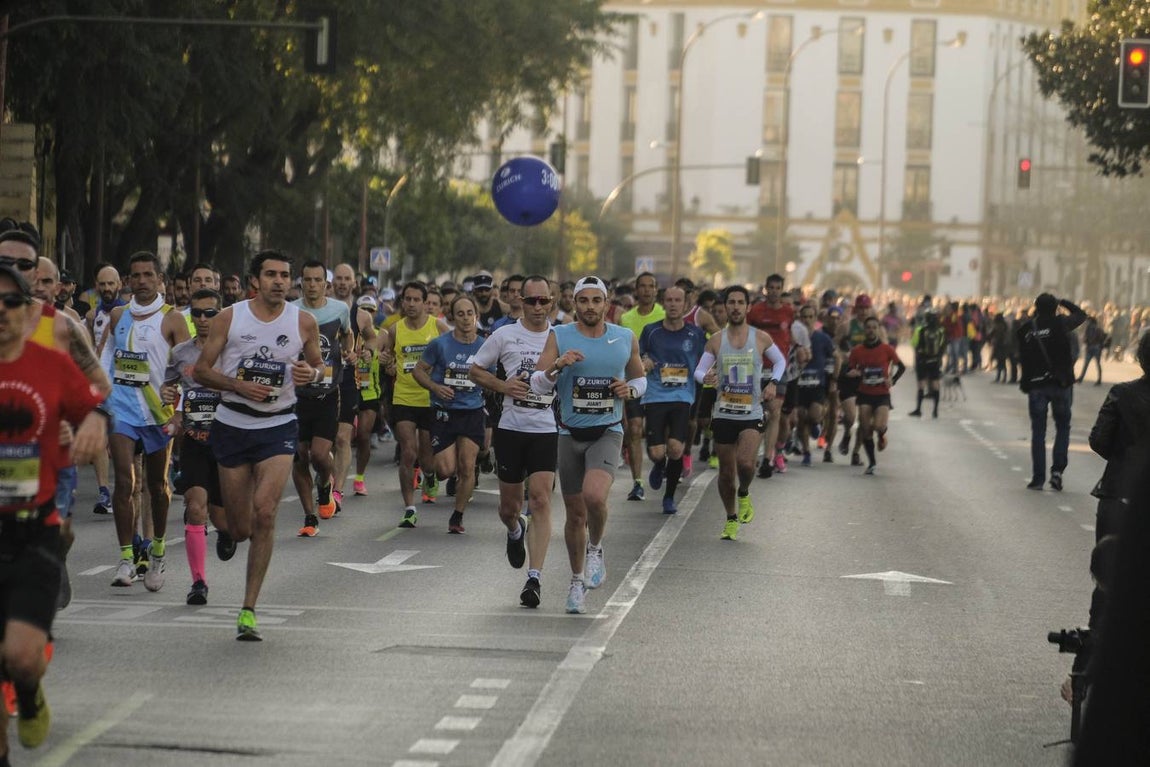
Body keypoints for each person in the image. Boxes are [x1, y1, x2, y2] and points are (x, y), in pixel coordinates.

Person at [0, 263, 107, 757]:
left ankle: (28, 688)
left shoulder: (50, 364)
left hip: (34, 531)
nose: (0, 312)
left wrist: (92, 427)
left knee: (21, 657)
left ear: (28, 313)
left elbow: (95, 404)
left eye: (10, 302)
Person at [194, 250, 324, 640]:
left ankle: (248, 608)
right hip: (232, 423)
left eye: (286, 275)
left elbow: (319, 367)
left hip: (278, 425)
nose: (280, 281)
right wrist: (237, 385)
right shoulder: (229, 318)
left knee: (265, 513)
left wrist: (309, 372)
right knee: (241, 527)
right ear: (256, 280)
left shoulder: (303, 322)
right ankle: (229, 530)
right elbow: (200, 370)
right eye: (271, 274)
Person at [531, 275, 646, 615]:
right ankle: (577, 580)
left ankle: (596, 548)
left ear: (606, 304)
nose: (591, 307)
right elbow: (537, 383)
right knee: (575, 514)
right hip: (568, 434)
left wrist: (631, 390)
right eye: (584, 301)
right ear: (574, 303)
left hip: (607, 430)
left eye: (597, 301)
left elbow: (640, 379)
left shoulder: (624, 337)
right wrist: (557, 366)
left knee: (595, 496)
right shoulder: (560, 335)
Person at [98, 252, 191, 590]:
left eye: (147, 275)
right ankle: (126, 558)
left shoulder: (173, 319)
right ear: (128, 280)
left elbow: (187, 368)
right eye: (135, 275)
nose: (141, 281)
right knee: (124, 483)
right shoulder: (119, 315)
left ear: (159, 279)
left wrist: (177, 403)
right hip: (122, 410)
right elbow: (106, 355)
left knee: (157, 487)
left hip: (157, 413)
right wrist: (103, 397)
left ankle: (159, 552)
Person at [470, 275, 561, 607]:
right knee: (510, 508)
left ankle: (534, 579)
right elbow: (475, 371)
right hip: (510, 428)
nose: (537, 307)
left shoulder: (560, 336)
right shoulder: (504, 335)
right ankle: (514, 531)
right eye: (531, 300)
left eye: (543, 301)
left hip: (545, 429)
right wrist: (503, 386)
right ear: (519, 301)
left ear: (552, 302)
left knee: (540, 501)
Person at [693, 285, 786, 541]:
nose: (734, 307)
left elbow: (780, 361)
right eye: (730, 302)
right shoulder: (715, 340)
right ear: (725, 308)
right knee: (725, 472)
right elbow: (698, 372)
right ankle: (731, 518)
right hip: (723, 413)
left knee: (745, 464)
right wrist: (706, 377)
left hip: (751, 412)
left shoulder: (760, 338)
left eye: (739, 303)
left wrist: (773, 382)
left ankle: (744, 492)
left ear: (747, 307)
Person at [162, 289, 231, 605]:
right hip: (193, 441)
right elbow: (170, 387)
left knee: (223, 518)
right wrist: (168, 399)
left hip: (227, 442)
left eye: (209, 313)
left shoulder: (232, 351)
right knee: (195, 506)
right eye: (197, 313)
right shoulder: (180, 353)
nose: (203, 319)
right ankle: (198, 582)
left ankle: (227, 533)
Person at [413, 294, 491, 533]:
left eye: (470, 314)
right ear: (452, 317)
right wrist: (436, 387)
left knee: (467, 467)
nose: (466, 319)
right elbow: (418, 371)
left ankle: (457, 516)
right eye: (460, 314)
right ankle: (450, 472)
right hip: (444, 412)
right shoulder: (440, 344)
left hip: (472, 412)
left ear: (476, 316)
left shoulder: (485, 346)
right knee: (445, 470)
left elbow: (493, 376)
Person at [291, 261, 353, 537]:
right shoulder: (291, 310)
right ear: (301, 282)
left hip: (328, 392)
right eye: (308, 280)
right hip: (295, 395)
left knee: (319, 455)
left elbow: (348, 336)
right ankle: (309, 517)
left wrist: (349, 353)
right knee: (299, 457)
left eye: (318, 280)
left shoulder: (340, 309)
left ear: (326, 284)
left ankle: (325, 484)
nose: (313, 285)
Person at [382, 281, 447, 527]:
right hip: (403, 398)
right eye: (407, 299)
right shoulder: (395, 330)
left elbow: (450, 353)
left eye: (416, 300)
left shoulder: (437, 326)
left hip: (430, 398)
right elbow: (388, 361)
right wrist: (387, 363)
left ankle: (429, 475)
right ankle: (409, 507)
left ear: (424, 302)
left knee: (428, 459)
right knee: (408, 452)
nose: (410, 304)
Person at [638, 285, 706, 514]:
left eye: (678, 300)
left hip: (683, 396)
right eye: (669, 300)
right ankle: (658, 464)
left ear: (686, 304)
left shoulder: (695, 334)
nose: (674, 304)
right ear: (663, 303)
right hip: (656, 394)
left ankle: (669, 497)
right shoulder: (651, 331)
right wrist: (644, 360)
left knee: (676, 449)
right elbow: (639, 354)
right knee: (658, 452)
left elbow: (706, 360)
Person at [1016, 293, 1087, 491]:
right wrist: (1063, 301)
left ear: (1036, 308)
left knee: (1038, 431)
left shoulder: (1026, 330)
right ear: (1055, 307)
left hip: (1037, 386)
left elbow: (1022, 358)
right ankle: (1057, 472)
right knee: (1063, 426)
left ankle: (1038, 477)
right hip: (1061, 384)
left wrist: (1025, 382)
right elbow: (1081, 315)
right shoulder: (1061, 324)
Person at [618, 272, 665, 501]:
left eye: (651, 286)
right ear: (636, 290)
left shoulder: (664, 315)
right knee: (634, 429)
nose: (646, 290)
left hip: (660, 385)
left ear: (656, 290)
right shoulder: (626, 319)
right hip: (634, 380)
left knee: (658, 441)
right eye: (642, 286)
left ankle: (659, 460)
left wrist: (654, 361)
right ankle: (637, 483)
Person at [845, 316, 906, 475]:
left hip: (881, 394)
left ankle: (881, 434)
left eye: (874, 327)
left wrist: (892, 380)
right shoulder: (857, 351)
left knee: (878, 425)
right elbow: (849, 370)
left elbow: (902, 367)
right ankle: (871, 462)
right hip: (865, 393)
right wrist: (853, 373)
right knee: (865, 428)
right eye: (868, 327)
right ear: (864, 330)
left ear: (878, 329)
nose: (871, 330)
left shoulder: (886, 349)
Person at [747, 274, 794, 478]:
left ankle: (767, 458)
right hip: (756, 366)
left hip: (778, 367)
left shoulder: (788, 312)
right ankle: (753, 454)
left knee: (774, 412)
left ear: (782, 289)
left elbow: (794, 336)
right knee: (759, 413)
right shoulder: (756, 312)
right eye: (771, 287)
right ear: (766, 289)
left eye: (778, 288)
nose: (774, 291)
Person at [794, 303, 836, 466]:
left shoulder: (822, 338)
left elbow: (834, 356)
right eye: (804, 317)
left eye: (810, 316)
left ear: (815, 318)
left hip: (818, 384)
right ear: (800, 319)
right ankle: (806, 452)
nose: (807, 320)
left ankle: (816, 423)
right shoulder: (794, 338)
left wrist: (832, 378)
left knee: (813, 415)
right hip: (799, 384)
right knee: (801, 418)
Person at [908, 308, 946, 418]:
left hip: (922, 360)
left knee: (921, 385)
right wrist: (938, 357)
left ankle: (919, 409)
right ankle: (935, 410)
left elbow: (914, 343)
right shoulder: (941, 331)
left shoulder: (920, 330)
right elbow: (943, 346)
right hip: (935, 361)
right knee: (935, 384)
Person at [1078, 315, 1106, 386]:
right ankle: (1099, 379)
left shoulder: (1089, 327)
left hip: (1090, 348)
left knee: (1086, 364)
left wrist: (1085, 342)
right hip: (1097, 347)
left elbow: (1086, 338)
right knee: (1098, 364)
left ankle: (1081, 378)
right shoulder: (1098, 328)